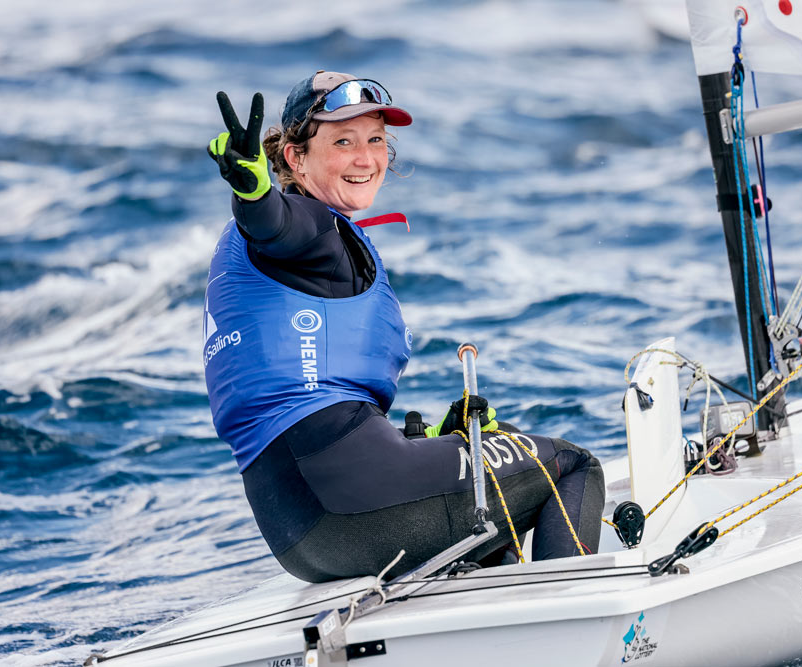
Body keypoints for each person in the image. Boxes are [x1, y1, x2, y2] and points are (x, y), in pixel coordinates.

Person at [204, 71, 605, 583]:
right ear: (295, 159)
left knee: (479, 503)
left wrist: (437, 440)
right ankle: (567, 625)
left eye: (375, 140)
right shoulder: (305, 229)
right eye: (342, 141)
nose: (365, 158)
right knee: (571, 465)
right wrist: (253, 190)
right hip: (354, 500)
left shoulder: (286, 253)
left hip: (298, 532)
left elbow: (316, 410)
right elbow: (273, 223)